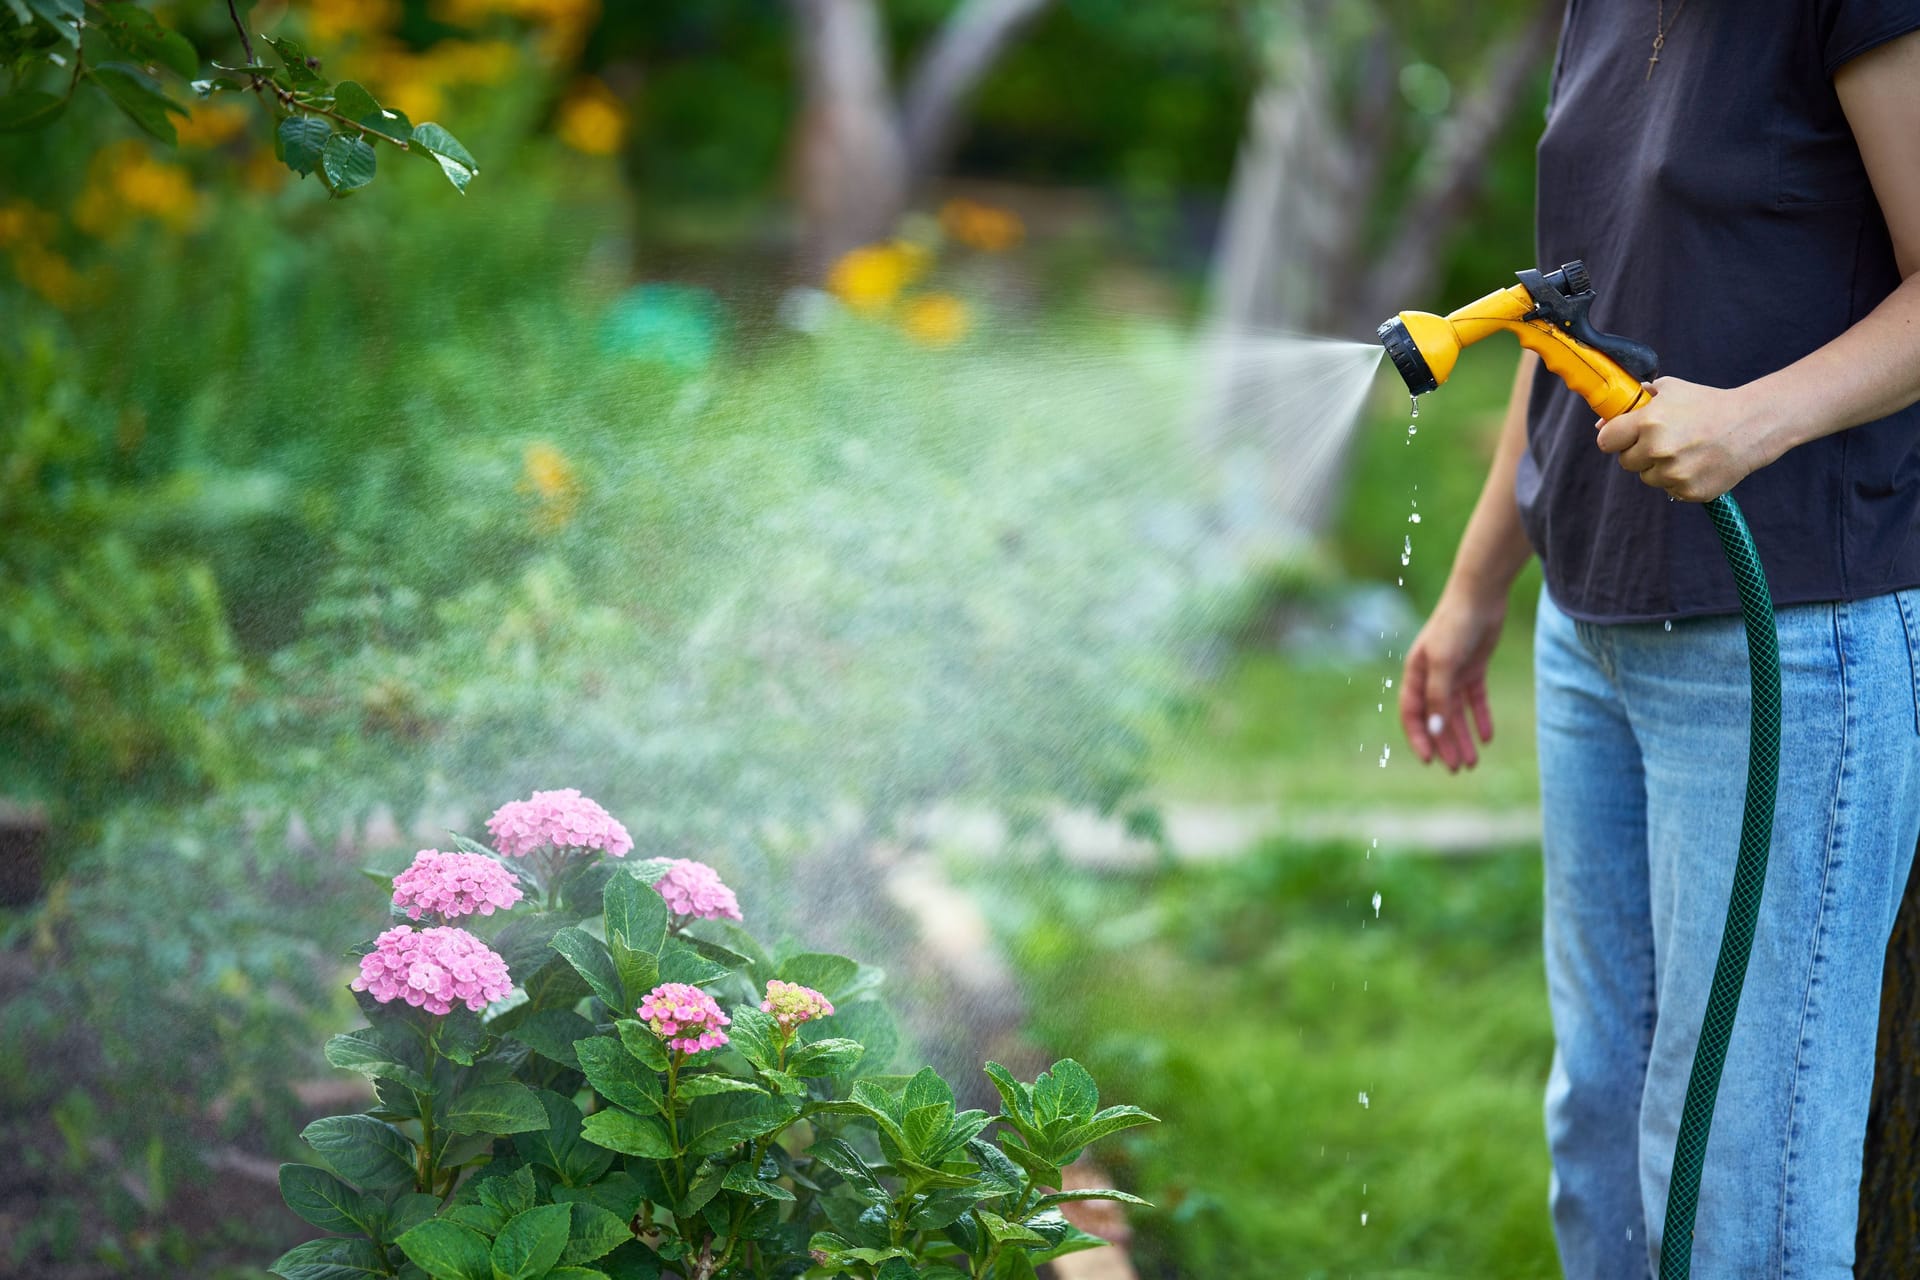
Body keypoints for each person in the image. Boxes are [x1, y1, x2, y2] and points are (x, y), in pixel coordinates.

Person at [1396, 4, 1920, 1277]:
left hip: (1786, 638)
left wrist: (1756, 420)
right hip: (1593, 632)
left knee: (1739, 1180)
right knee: (1601, 1124)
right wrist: (1477, 588)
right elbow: (1561, 316)